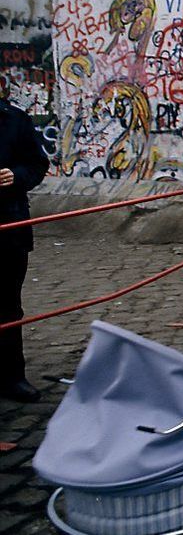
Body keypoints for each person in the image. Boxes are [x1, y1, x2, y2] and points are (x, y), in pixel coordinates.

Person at [0, 96, 50, 403]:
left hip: (8, 227)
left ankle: (12, 377)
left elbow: (37, 164)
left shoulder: (14, 119)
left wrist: (15, 176)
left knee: (7, 303)